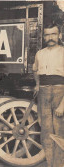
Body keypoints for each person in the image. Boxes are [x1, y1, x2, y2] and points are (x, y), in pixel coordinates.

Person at [33, 22, 64, 167]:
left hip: (60, 93)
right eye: (47, 34)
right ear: (44, 37)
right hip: (43, 93)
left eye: (53, 34)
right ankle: (51, 164)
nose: (50, 37)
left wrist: (62, 105)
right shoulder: (40, 53)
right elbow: (35, 70)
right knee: (46, 132)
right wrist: (38, 84)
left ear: (59, 35)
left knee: (60, 133)